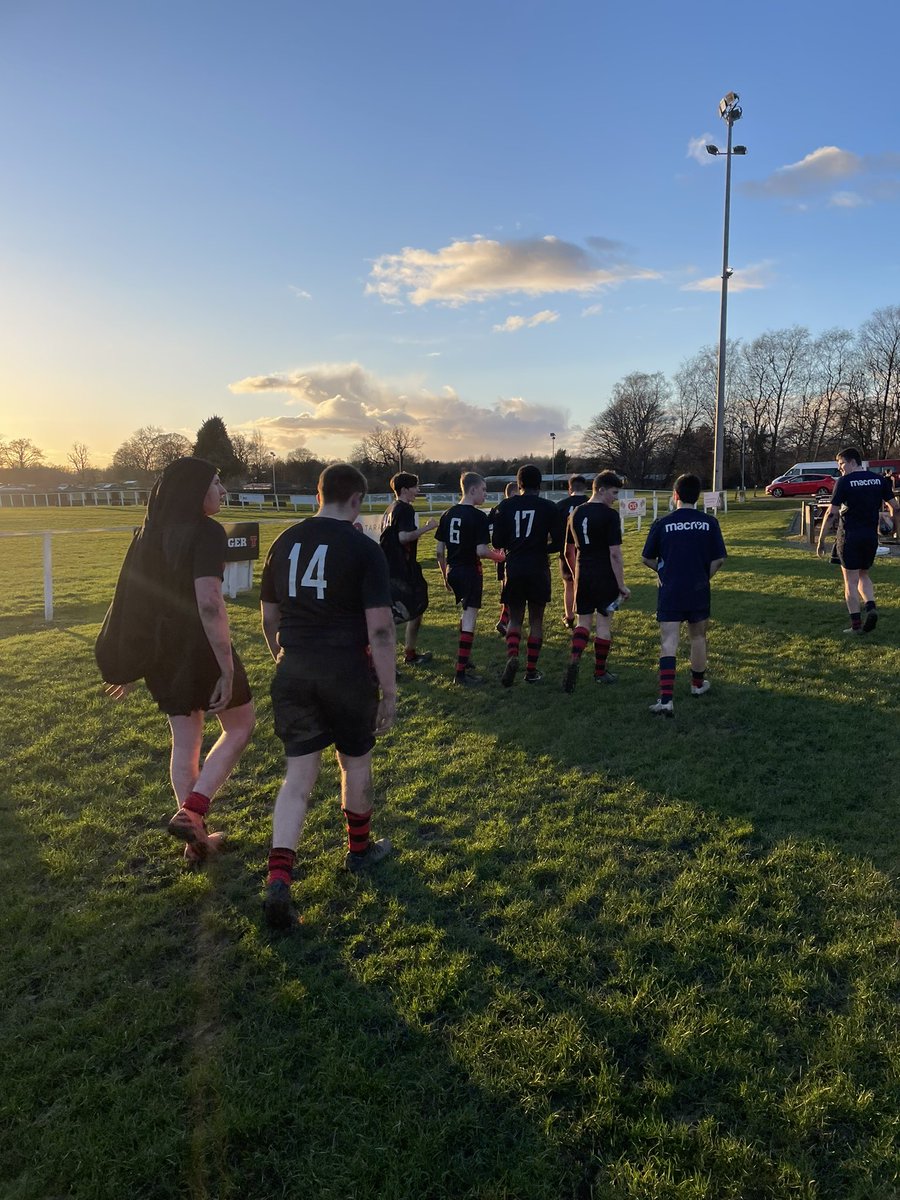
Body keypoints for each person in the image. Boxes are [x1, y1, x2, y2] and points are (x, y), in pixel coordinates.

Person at [259, 464, 397, 931]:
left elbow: (269, 618)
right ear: (357, 499)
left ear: (318, 494)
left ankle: (280, 877)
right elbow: (379, 627)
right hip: (346, 672)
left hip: (294, 667)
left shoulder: (284, 542)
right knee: (353, 763)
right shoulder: (364, 548)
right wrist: (390, 690)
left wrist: (284, 656)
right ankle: (359, 851)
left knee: (298, 775)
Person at [97, 457, 255, 863]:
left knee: (185, 742)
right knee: (240, 726)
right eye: (216, 482)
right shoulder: (207, 532)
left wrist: (132, 664)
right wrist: (226, 665)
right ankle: (193, 812)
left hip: (161, 654)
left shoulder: (145, 534)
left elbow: (132, 601)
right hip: (200, 648)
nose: (222, 491)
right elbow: (209, 603)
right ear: (194, 490)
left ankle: (194, 842)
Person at [640, 473, 727, 717]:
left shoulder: (662, 523)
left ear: (675, 495)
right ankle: (697, 685)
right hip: (698, 588)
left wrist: (663, 571)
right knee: (698, 637)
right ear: (697, 496)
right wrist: (702, 577)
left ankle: (666, 699)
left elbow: (646, 557)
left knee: (669, 641)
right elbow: (718, 559)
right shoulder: (709, 523)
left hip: (670, 589)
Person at [491, 464, 563, 686]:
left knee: (514, 618)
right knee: (536, 620)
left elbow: (496, 542)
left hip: (514, 566)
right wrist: (542, 548)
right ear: (539, 484)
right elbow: (560, 542)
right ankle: (531, 670)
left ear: (518, 484)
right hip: (538, 566)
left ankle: (513, 655)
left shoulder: (505, 506)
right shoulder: (549, 507)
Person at [816, 446, 900, 633]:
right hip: (870, 537)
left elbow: (831, 513)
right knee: (864, 574)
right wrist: (895, 530)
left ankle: (856, 626)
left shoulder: (844, 482)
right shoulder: (879, 480)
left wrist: (821, 539)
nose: (840, 468)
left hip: (849, 536)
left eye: (841, 464)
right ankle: (870, 607)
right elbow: (895, 507)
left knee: (850, 581)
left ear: (853, 462)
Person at [562, 471, 630, 692]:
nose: (615, 498)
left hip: (583, 573)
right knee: (603, 624)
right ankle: (600, 672)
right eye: (614, 492)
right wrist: (621, 584)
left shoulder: (575, 513)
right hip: (604, 574)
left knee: (583, 623)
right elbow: (615, 554)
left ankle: (574, 657)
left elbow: (568, 551)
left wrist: (575, 574)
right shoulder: (609, 516)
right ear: (600, 490)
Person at [435, 472, 504, 686]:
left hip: (453, 570)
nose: (486, 494)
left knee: (465, 615)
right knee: (470, 618)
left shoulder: (447, 513)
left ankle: (464, 660)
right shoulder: (478, 516)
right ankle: (461, 673)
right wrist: (499, 556)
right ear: (472, 490)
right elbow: (481, 550)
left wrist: (445, 574)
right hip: (470, 571)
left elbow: (439, 550)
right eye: (483, 490)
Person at [381, 472, 438, 666]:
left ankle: (408, 653)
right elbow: (404, 537)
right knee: (402, 613)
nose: (418, 491)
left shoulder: (390, 508)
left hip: (392, 568)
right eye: (415, 487)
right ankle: (389, 658)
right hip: (401, 570)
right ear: (405, 490)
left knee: (415, 610)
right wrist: (427, 528)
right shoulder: (405, 509)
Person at [555, 474, 590, 629]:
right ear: (586, 488)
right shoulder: (592, 503)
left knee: (568, 584)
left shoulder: (561, 505)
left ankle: (569, 617)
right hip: (588, 550)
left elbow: (554, 531)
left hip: (567, 549)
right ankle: (584, 617)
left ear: (570, 489)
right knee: (587, 584)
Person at [488, 481, 518, 636]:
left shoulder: (497, 509)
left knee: (506, 588)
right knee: (510, 591)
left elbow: (489, 530)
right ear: (513, 493)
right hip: (508, 554)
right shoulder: (509, 509)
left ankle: (505, 620)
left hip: (499, 554)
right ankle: (505, 621)